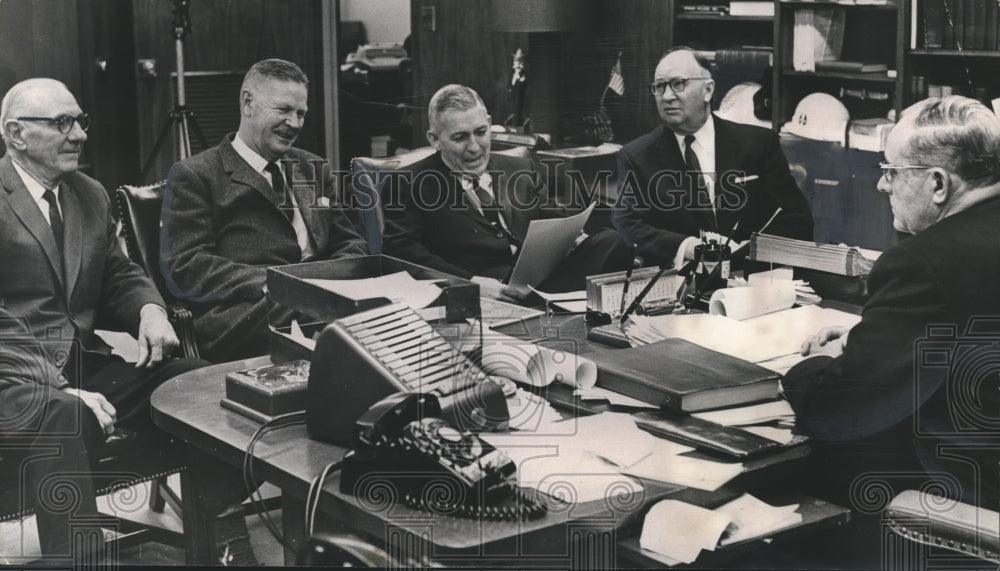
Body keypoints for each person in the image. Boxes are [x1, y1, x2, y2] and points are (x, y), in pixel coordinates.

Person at [0, 78, 258, 565]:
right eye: (61, 123)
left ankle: (222, 535)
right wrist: (58, 387)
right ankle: (81, 562)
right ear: (16, 134)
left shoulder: (88, 194)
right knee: (64, 416)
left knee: (196, 380)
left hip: (85, 364)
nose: (78, 134)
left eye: (80, 121)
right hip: (15, 377)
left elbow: (117, 272)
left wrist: (150, 310)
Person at [783, 96, 1000, 565]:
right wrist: (870, 342)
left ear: (938, 183)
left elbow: (838, 410)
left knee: (790, 494)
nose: (883, 185)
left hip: (965, 497)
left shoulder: (924, 260)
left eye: (892, 171)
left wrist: (806, 367)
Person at [161, 59, 368, 362]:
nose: (295, 123)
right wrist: (278, 284)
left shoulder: (312, 167)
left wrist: (328, 279)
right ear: (248, 103)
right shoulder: (196, 174)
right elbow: (185, 265)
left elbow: (351, 242)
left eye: (301, 114)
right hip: (245, 311)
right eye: (284, 110)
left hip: (319, 298)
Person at [381, 84, 632, 302]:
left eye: (481, 132)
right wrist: (470, 283)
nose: (474, 147)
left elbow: (552, 217)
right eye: (459, 138)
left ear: (490, 124)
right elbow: (403, 255)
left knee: (612, 242)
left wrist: (571, 237)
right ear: (435, 140)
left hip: (540, 279)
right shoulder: (406, 183)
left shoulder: (520, 167)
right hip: (482, 291)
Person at [613, 47, 813, 269]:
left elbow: (797, 219)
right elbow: (628, 223)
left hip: (753, 278)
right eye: (659, 87)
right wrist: (689, 247)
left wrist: (749, 251)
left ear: (707, 90)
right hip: (682, 280)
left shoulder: (758, 144)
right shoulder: (637, 156)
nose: (667, 96)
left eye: (678, 84)